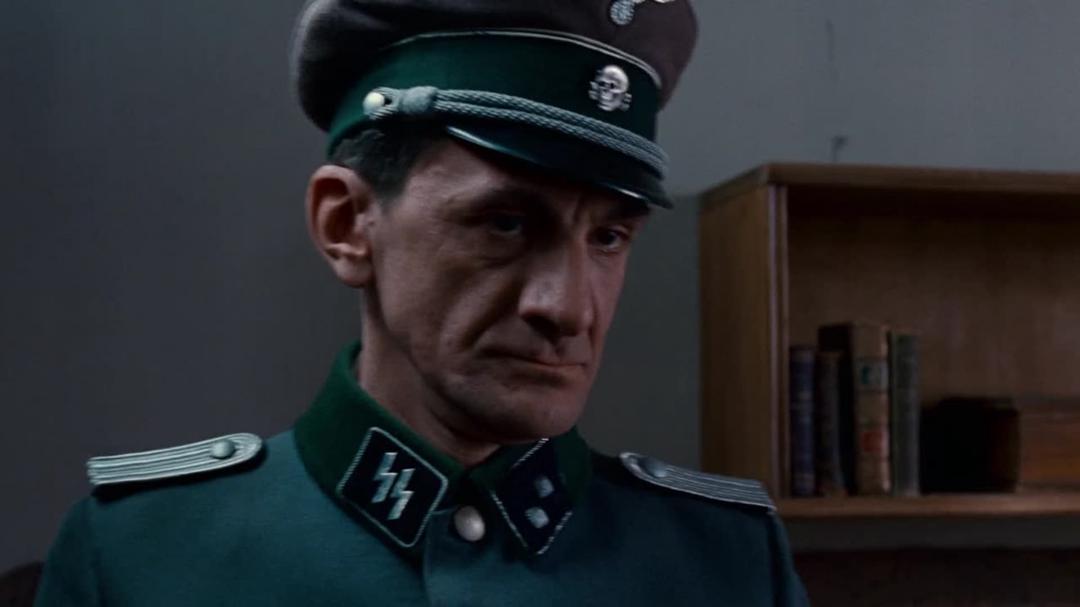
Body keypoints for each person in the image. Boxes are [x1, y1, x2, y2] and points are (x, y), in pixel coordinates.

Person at [34, 1, 808, 605]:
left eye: (608, 236)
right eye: (506, 223)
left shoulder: (727, 561)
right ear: (346, 226)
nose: (570, 309)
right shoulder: (138, 554)